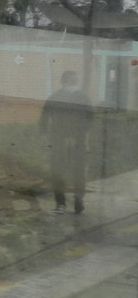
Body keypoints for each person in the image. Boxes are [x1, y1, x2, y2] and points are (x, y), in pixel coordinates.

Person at [38, 70, 92, 214]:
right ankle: (75, 202)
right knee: (74, 172)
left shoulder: (56, 97)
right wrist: (85, 139)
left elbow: (44, 119)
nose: (73, 83)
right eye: (72, 81)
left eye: (73, 81)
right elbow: (89, 121)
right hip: (68, 140)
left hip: (64, 140)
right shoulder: (81, 98)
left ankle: (66, 203)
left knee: (64, 171)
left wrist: (45, 136)